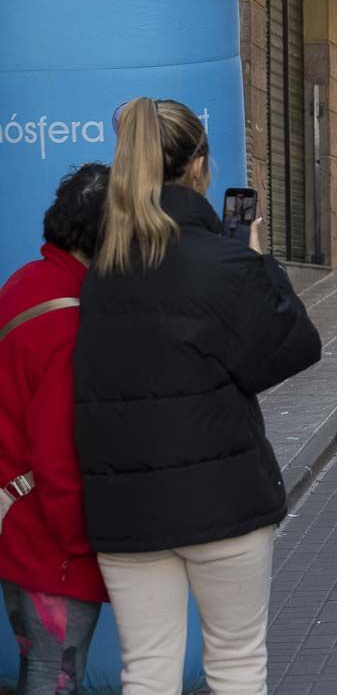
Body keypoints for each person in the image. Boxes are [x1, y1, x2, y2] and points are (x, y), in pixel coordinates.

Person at [72, 98, 322, 695]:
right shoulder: (224, 262)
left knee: (148, 672)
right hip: (222, 503)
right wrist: (260, 263)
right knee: (236, 667)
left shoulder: (103, 269)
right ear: (200, 167)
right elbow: (293, 346)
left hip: (126, 507)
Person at [0, 164, 110, 695]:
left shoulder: (25, 281)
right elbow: (60, 453)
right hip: (53, 541)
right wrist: (84, 542)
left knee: (35, 669)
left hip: (16, 519)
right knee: (54, 675)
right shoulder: (70, 322)